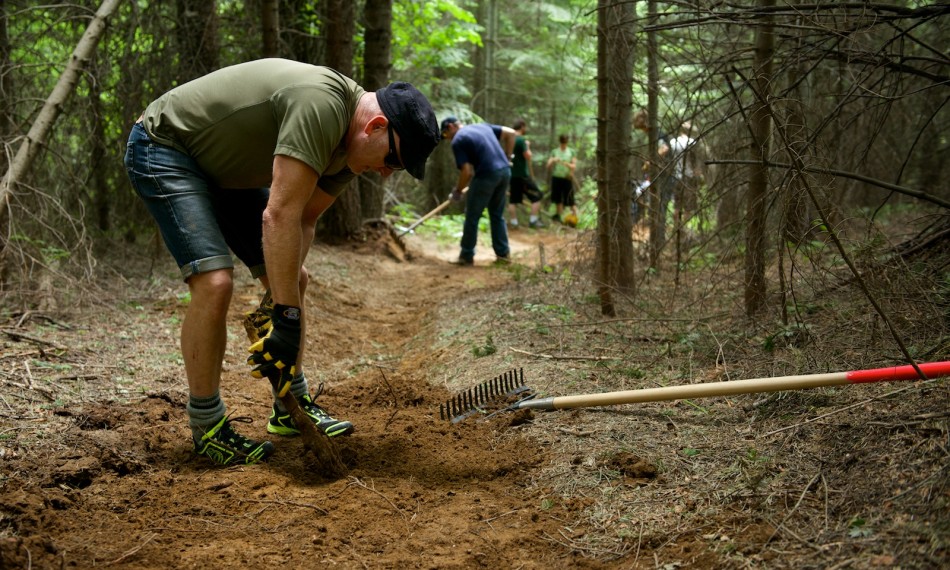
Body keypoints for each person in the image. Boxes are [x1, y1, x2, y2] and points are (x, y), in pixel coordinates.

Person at [124, 59, 440, 466]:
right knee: (215, 282)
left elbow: (304, 218)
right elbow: (279, 216)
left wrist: (280, 302)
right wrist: (286, 315)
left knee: (295, 279)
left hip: (223, 172)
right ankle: (208, 427)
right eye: (393, 160)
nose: (385, 173)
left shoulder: (348, 150)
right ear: (376, 126)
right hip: (166, 146)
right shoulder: (321, 105)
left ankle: (290, 406)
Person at [440, 116, 516, 265]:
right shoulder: (482, 126)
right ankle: (503, 255)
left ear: (450, 127)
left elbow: (466, 172)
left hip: (486, 175)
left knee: (472, 216)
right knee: (497, 214)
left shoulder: (458, 140)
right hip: (505, 172)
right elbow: (511, 133)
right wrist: (508, 157)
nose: (446, 139)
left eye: (444, 135)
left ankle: (466, 256)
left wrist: (458, 191)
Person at [506, 119, 544, 229]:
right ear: (522, 127)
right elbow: (528, 156)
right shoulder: (521, 140)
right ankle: (533, 221)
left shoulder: (510, 139)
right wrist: (527, 146)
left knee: (513, 200)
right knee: (537, 195)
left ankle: (514, 223)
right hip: (522, 175)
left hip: (512, 175)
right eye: (525, 127)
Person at [546, 134, 577, 223]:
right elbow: (548, 166)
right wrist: (553, 160)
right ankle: (559, 218)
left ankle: (574, 219)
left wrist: (567, 165)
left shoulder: (571, 152)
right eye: (562, 142)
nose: (564, 143)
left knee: (570, 199)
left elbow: (574, 166)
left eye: (565, 142)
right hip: (556, 177)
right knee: (558, 199)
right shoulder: (554, 152)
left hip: (567, 178)